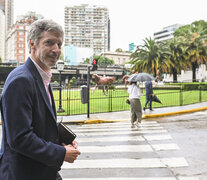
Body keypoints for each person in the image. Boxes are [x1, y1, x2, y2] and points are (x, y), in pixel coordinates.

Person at [0, 19, 80, 180]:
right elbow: (20, 138)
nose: (56, 50)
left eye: (59, 44)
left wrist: (62, 141)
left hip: (42, 170)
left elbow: (38, 123)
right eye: (49, 43)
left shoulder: (41, 77)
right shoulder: (21, 80)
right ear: (32, 43)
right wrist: (61, 153)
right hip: (23, 173)